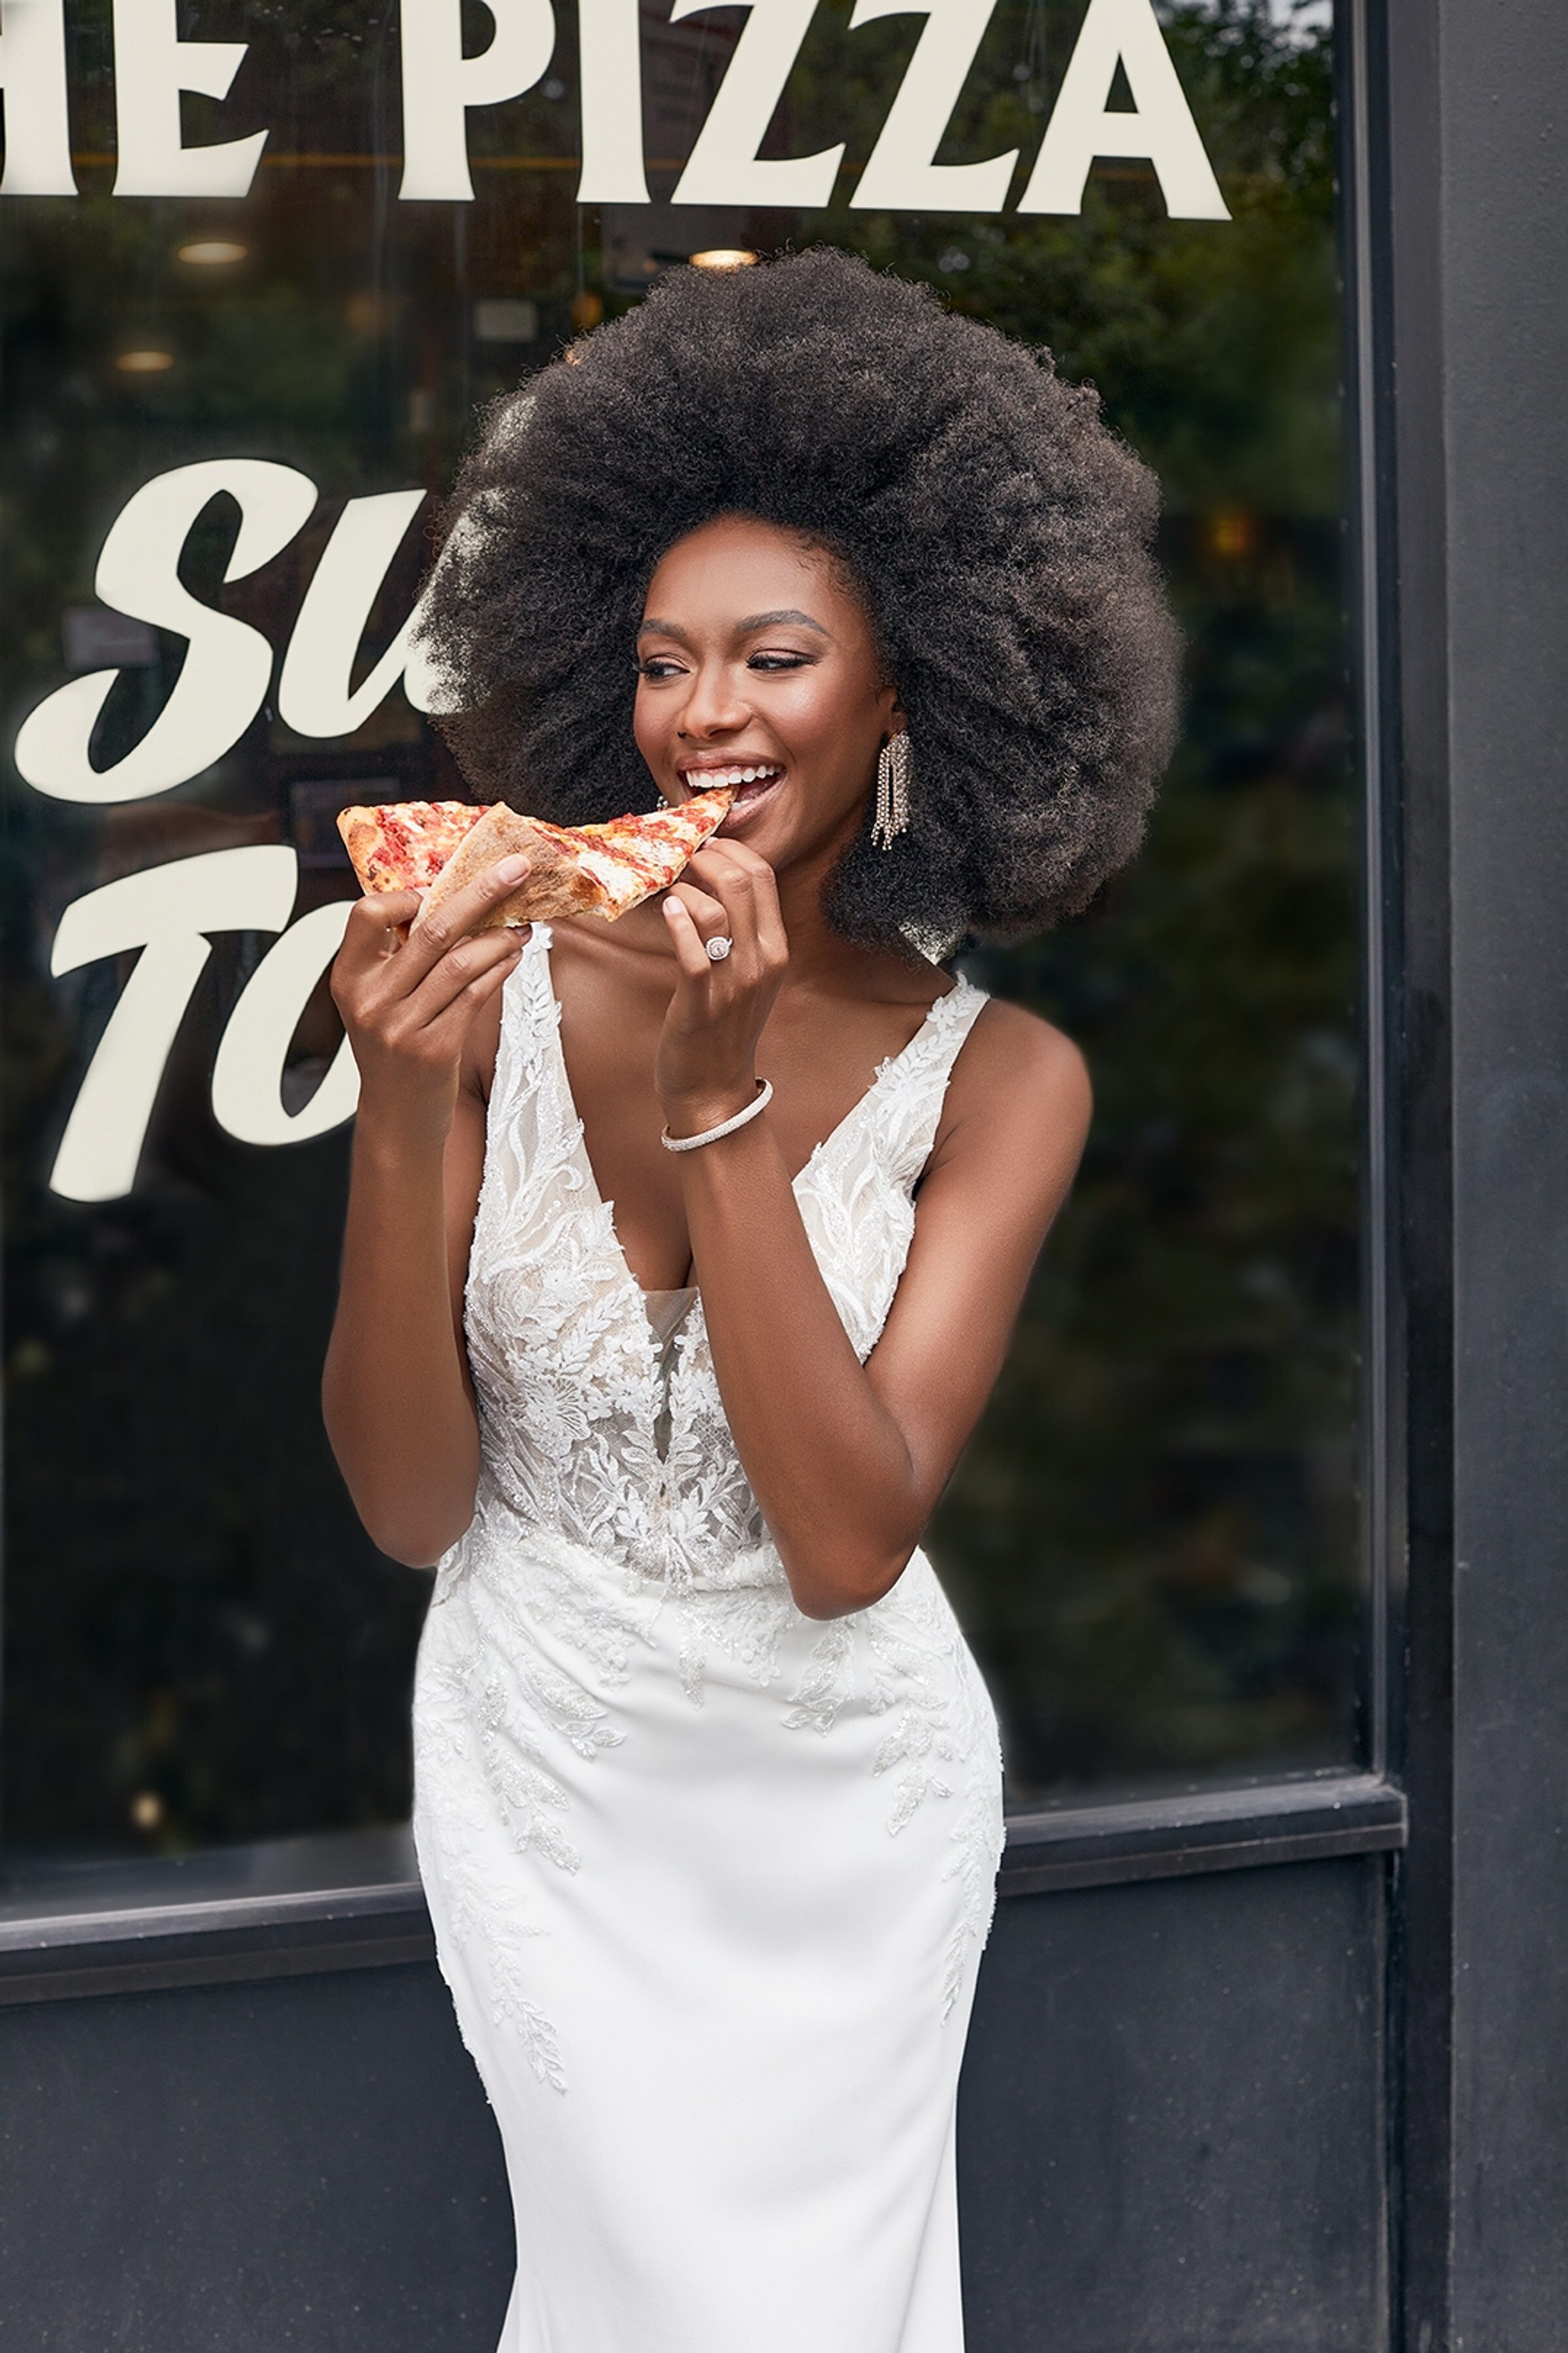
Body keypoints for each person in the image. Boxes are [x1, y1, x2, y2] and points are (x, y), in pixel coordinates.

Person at [323, 248, 1175, 2353]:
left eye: (778, 657)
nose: (705, 714)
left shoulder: (1007, 1077)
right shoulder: (506, 974)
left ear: (908, 691)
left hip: (846, 1819)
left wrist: (724, 1116)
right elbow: (414, 1511)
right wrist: (401, 1109)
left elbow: (844, 1538)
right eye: (662, 659)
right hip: (546, 1782)